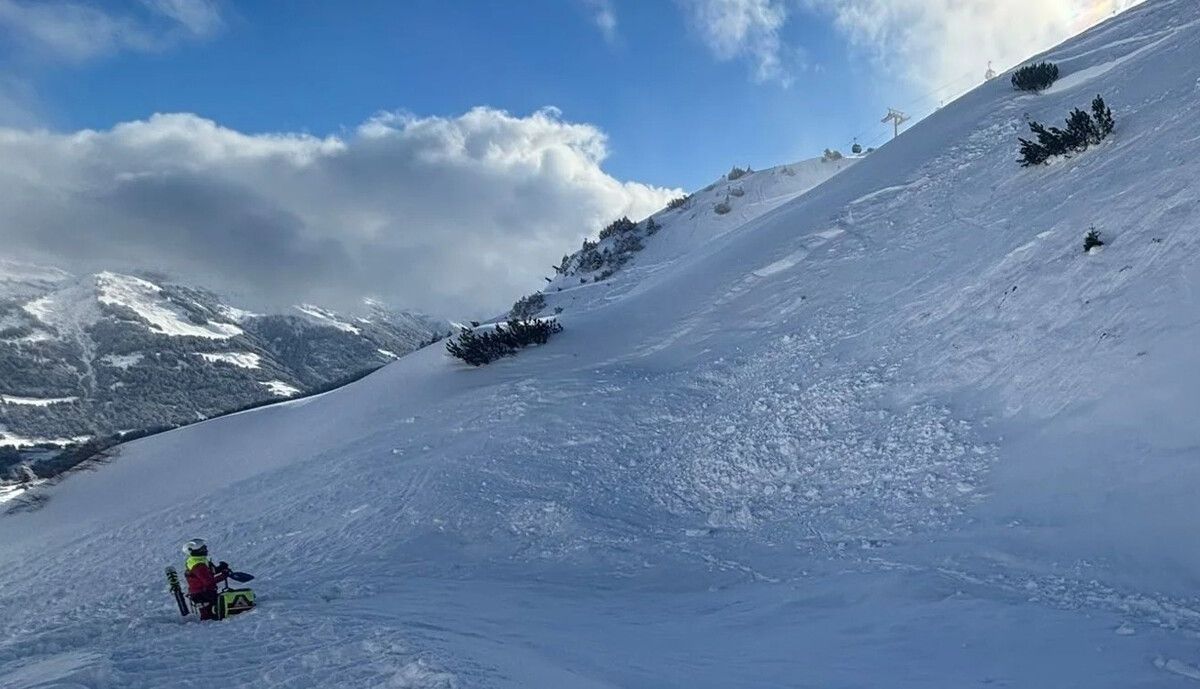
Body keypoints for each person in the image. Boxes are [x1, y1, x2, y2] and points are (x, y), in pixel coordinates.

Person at [182, 538, 230, 620]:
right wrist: (224, 576)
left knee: (209, 615)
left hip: (201, 593)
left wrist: (221, 568)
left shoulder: (198, 560)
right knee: (209, 617)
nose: (206, 549)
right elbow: (208, 581)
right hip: (203, 594)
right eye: (203, 548)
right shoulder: (198, 565)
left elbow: (208, 573)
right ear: (196, 551)